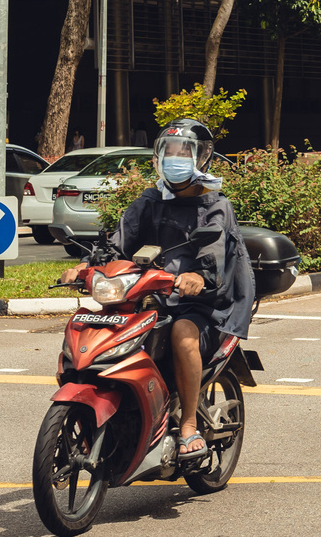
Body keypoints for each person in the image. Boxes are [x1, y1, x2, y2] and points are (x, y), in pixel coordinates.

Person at [67, 118, 254, 458]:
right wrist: (88, 267)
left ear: (203, 157)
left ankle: (187, 427)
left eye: (184, 152)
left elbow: (212, 255)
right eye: (169, 152)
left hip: (200, 305)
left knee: (183, 333)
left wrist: (198, 276)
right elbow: (119, 243)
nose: (175, 158)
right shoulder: (151, 200)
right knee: (94, 327)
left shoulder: (215, 206)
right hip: (149, 297)